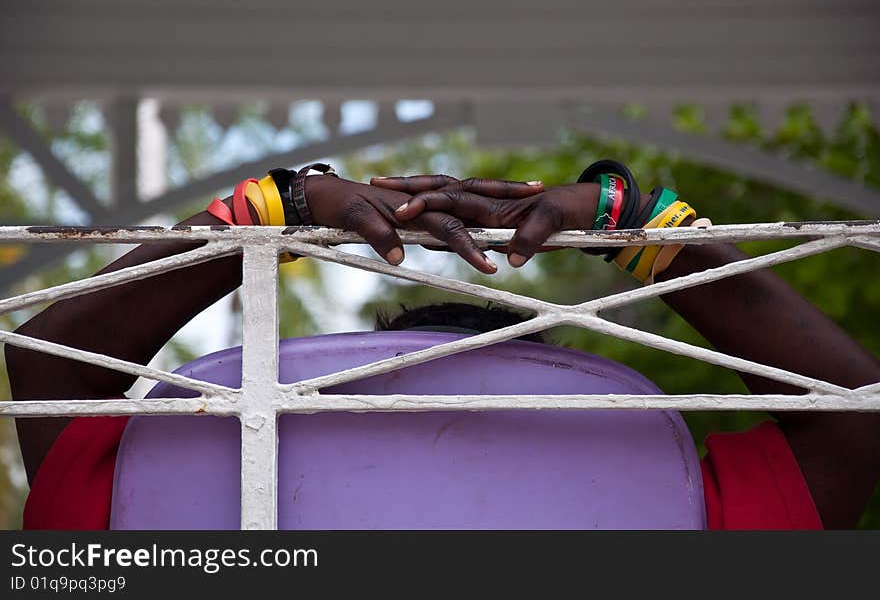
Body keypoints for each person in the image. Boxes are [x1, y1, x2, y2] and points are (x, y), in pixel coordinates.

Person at [5, 162, 879, 530]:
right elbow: (858, 412)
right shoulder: (677, 494)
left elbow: (45, 363)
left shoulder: (146, 484)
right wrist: (634, 219)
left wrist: (279, 207)